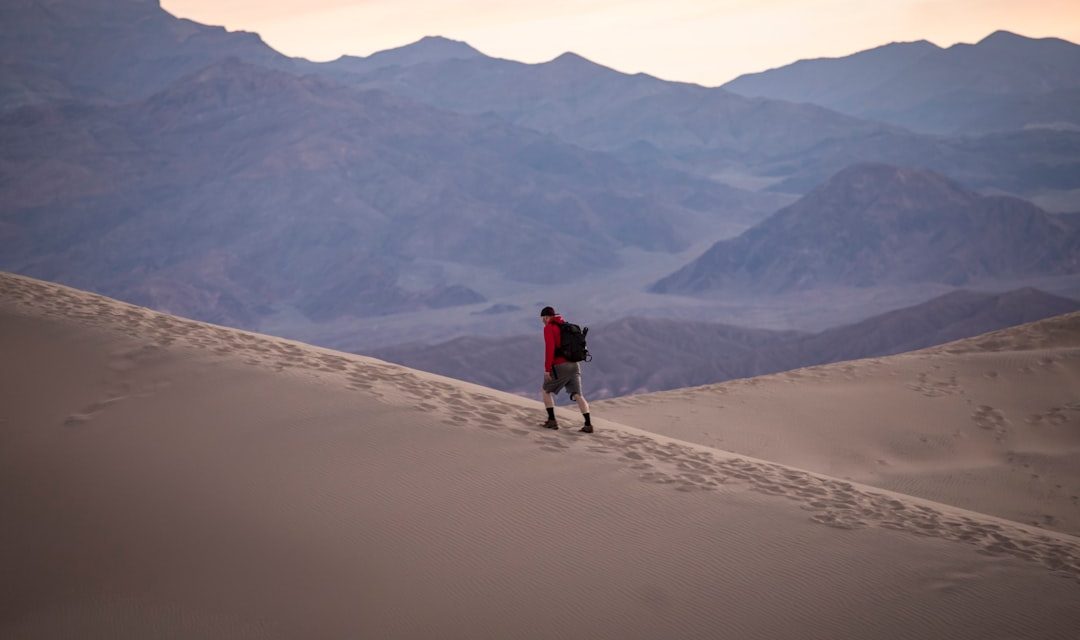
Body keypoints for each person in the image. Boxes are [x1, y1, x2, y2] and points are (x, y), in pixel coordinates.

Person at [540, 306, 593, 433]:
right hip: (574, 365)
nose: (542, 321)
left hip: (560, 365)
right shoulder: (565, 326)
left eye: (543, 318)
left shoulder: (549, 328)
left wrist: (547, 369)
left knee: (545, 391)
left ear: (547, 317)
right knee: (578, 395)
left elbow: (550, 350)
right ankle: (588, 424)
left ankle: (552, 421)